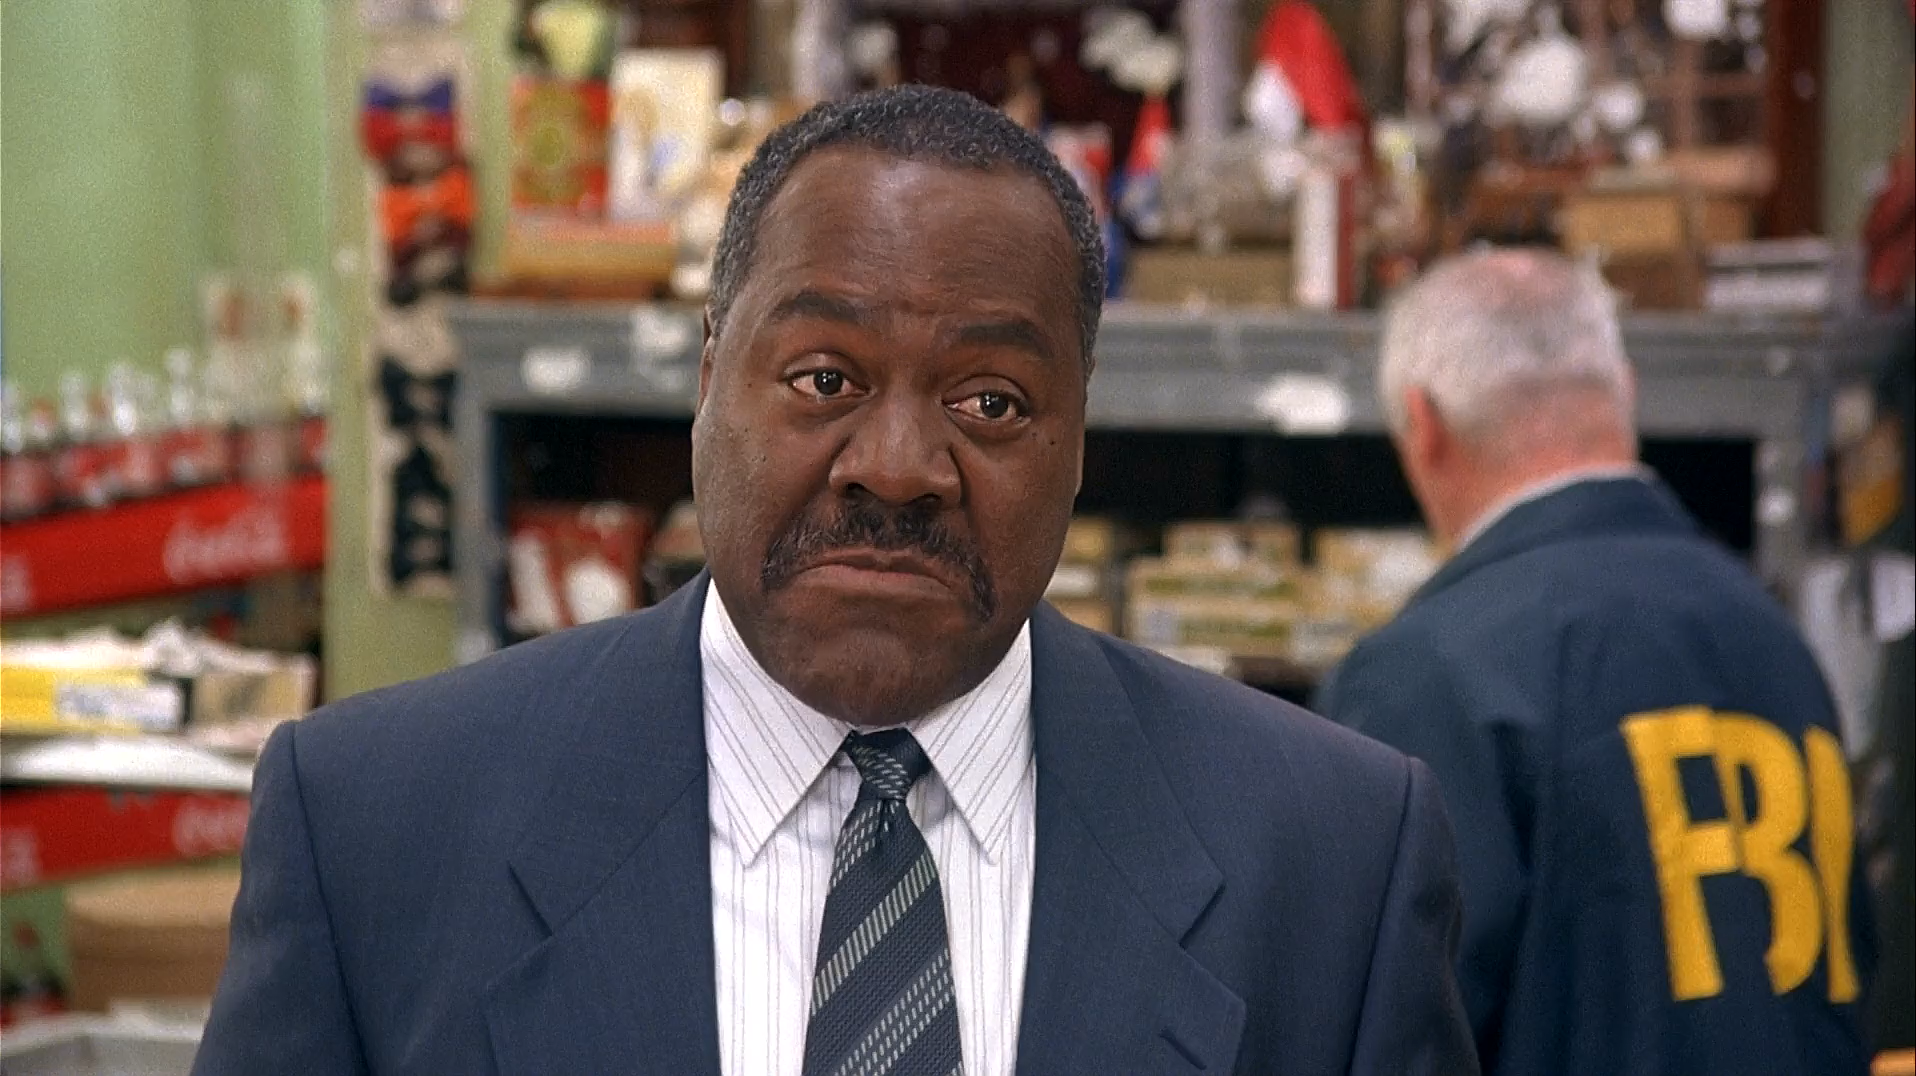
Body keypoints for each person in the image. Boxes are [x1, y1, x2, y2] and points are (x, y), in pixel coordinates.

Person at [194, 86, 1477, 1075]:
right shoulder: (374, 828)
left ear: (1078, 437)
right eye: (823, 379)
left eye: (989, 399)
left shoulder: (1332, 860)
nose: (898, 467)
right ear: (709, 379)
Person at [1315, 248, 1876, 1076]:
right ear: (1626, 393)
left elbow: (1379, 1034)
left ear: (1423, 426)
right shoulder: (1775, 641)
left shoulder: (1426, 676)